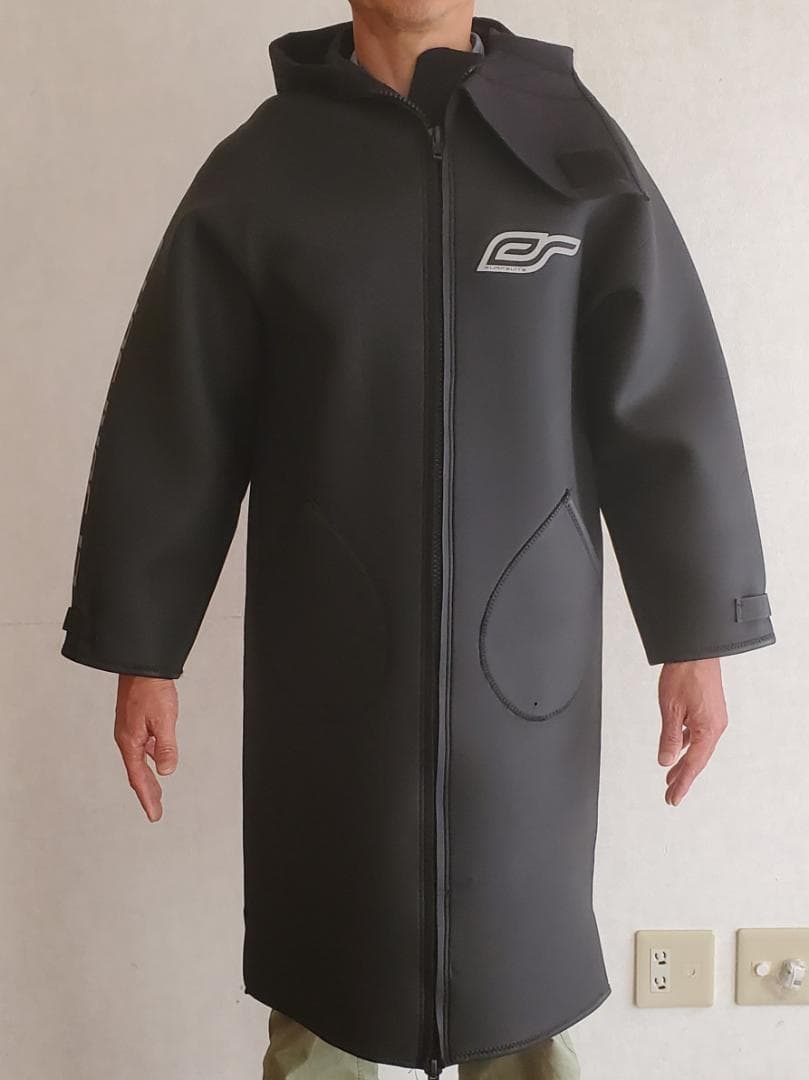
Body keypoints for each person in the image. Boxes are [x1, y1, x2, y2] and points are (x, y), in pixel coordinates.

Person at [59, 3, 776, 1079]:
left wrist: (696, 631)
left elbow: (662, 395)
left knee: (520, 985)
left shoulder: (570, 147)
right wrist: (141, 646)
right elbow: (178, 416)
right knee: (324, 991)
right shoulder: (266, 169)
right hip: (328, 676)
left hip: (526, 678)